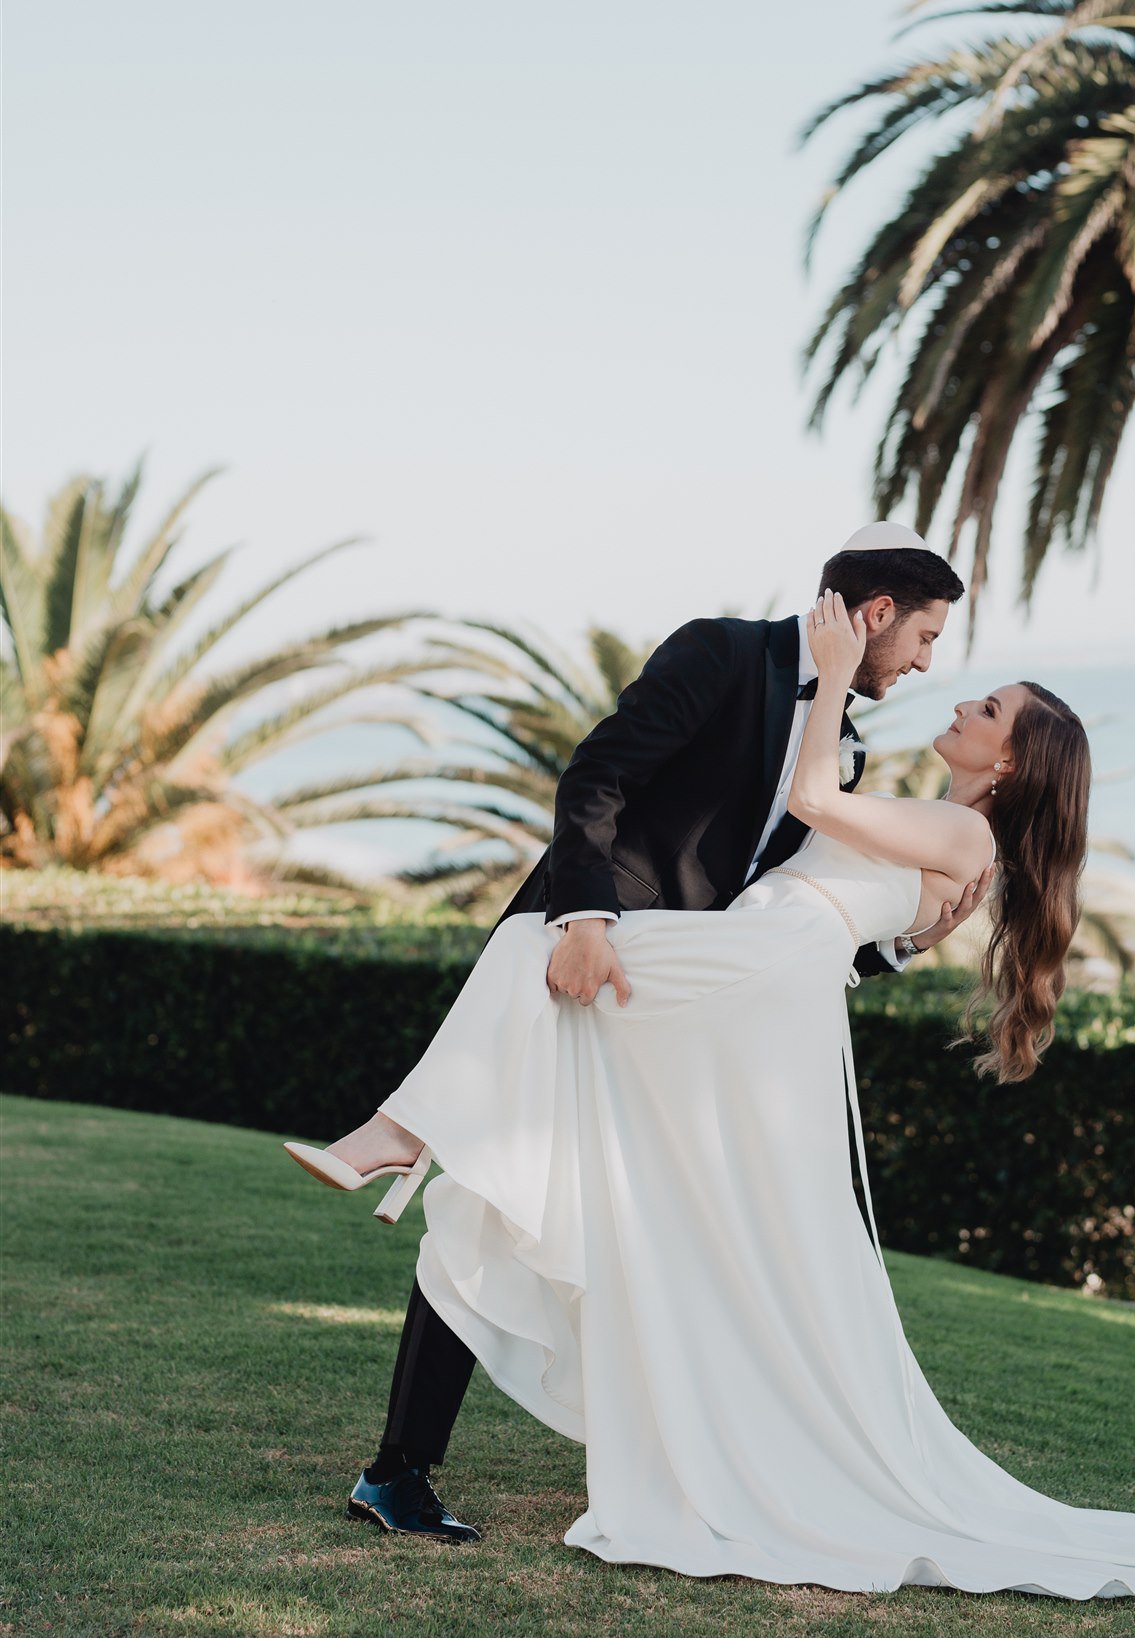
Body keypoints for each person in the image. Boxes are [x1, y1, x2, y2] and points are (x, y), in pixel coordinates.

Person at [285, 561, 1135, 1617]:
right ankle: (409, 1393)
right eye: (935, 647)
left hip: (754, 983)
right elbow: (836, 891)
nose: (949, 679)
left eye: (984, 701)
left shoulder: (959, 827)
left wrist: (834, 674)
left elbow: (808, 805)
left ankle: (394, 1132)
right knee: (528, 1121)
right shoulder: (927, 817)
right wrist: (901, 923)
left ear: (1013, 762)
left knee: (533, 951)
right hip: (760, 985)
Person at [287, 526, 989, 1544]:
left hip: (678, 1024)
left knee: (618, 1240)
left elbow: (792, 921)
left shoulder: (843, 747)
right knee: (490, 1207)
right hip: (594, 963)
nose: (926, 659)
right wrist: (581, 918)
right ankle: (397, 1467)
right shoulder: (720, 651)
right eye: (922, 634)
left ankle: (402, 1132)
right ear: (876, 613)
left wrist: (909, 944)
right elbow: (596, 779)